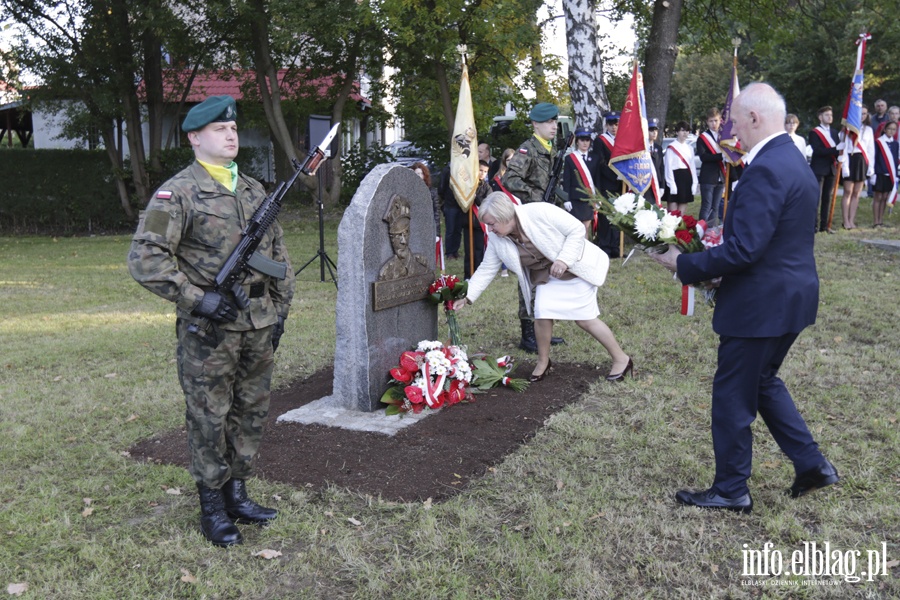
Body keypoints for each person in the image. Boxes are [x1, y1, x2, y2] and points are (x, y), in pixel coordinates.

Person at [651, 82, 839, 514]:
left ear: (755, 118)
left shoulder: (767, 167)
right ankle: (812, 464)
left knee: (734, 394)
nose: (731, 129)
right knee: (763, 381)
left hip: (761, 304)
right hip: (790, 296)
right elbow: (771, 240)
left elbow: (745, 249)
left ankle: (731, 488)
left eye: (735, 120)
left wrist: (684, 265)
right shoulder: (791, 158)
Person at [128, 95, 296, 546]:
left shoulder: (255, 190)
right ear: (195, 137)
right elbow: (146, 259)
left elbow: (278, 255)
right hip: (211, 331)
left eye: (234, 128)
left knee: (251, 411)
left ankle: (238, 493)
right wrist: (197, 300)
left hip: (258, 323)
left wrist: (279, 311)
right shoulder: (177, 192)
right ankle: (212, 505)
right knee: (209, 416)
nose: (230, 135)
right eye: (220, 129)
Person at [452, 192, 632, 383]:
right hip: (547, 277)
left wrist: (564, 259)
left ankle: (622, 359)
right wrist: (466, 296)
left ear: (505, 216)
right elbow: (487, 269)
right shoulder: (497, 238)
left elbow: (577, 230)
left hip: (576, 268)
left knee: (584, 319)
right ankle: (543, 362)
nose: (490, 229)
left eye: (492, 223)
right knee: (541, 314)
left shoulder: (540, 211)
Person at [501, 102, 567, 352]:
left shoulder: (552, 149)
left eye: (554, 122)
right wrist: (535, 196)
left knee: (548, 272)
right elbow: (510, 178)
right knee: (530, 274)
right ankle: (528, 333)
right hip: (532, 219)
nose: (553, 126)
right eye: (548, 122)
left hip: (549, 219)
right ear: (535, 124)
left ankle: (544, 329)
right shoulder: (528, 150)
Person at [588, 112, 622, 257]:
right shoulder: (600, 141)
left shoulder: (622, 140)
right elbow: (600, 164)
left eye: (616, 124)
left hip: (621, 185)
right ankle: (605, 246)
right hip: (606, 183)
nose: (614, 128)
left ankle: (616, 245)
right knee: (606, 216)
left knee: (618, 215)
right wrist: (616, 175)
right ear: (606, 125)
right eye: (611, 124)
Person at [839, 105, 875, 229]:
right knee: (848, 191)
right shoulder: (846, 130)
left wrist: (871, 166)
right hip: (849, 160)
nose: (862, 116)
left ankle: (851, 220)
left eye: (865, 114)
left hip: (862, 161)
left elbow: (870, 150)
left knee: (857, 193)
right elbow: (843, 149)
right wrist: (845, 167)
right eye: (860, 113)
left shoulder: (868, 130)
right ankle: (845, 221)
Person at [808, 106, 840, 233]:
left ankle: (824, 225)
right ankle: (813, 226)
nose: (830, 117)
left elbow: (837, 150)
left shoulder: (834, 132)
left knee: (827, 197)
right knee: (816, 197)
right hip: (819, 168)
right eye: (827, 115)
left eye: (831, 115)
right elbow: (818, 150)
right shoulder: (814, 132)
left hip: (831, 168)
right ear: (820, 117)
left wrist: (840, 152)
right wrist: (835, 150)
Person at [562, 128, 597, 238]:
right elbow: (566, 180)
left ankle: (585, 250)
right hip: (575, 199)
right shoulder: (570, 158)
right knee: (576, 228)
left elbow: (597, 179)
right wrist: (566, 199)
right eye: (582, 140)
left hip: (589, 198)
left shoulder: (595, 158)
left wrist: (598, 199)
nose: (585, 143)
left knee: (586, 227)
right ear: (577, 141)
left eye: (587, 140)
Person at [462, 160, 491, 278]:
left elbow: (486, 203)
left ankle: (478, 274)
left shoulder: (486, 187)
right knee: (469, 251)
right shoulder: (467, 184)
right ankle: (468, 275)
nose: (482, 174)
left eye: (485, 172)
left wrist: (476, 197)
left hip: (479, 224)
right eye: (480, 170)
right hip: (467, 222)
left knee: (479, 250)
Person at [697, 108, 726, 224]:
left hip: (720, 176)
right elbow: (703, 157)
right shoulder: (703, 138)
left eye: (716, 121)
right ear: (707, 122)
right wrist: (721, 156)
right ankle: (701, 232)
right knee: (706, 206)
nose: (714, 124)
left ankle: (711, 231)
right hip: (708, 177)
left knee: (716, 206)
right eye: (711, 121)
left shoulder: (724, 136)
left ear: (720, 121)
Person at [664, 121, 698, 214]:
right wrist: (671, 184)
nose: (685, 133)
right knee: (672, 212)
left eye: (687, 131)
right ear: (677, 132)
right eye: (682, 130)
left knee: (682, 211)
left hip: (686, 178)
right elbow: (668, 167)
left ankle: (681, 227)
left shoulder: (690, 148)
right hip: (674, 177)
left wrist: (694, 182)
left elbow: (692, 167)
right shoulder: (671, 147)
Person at [871, 120, 898, 227]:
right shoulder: (878, 142)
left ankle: (880, 220)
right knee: (878, 197)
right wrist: (873, 173)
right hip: (879, 173)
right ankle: (875, 221)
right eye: (889, 129)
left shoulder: (895, 144)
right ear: (885, 129)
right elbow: (874, 157)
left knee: (885, 197)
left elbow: (895, 159)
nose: (891, 131)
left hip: (890, 174)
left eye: (894, 129)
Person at [439, 163, 464, 259]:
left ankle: (455, 250)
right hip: (450, 204)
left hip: (460, 205)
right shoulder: (447, 170)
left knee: (458, 230)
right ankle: (449, 252)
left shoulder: (463, 169)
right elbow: (442, 187)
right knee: (450, 229)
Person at [411, 162, 441, 238]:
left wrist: (436, 233)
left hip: (427, 226)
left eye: (421, 173)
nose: (419, 176)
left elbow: (436, 213)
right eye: (417, 174)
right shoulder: (409, 191)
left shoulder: (432, 192)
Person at [646, 118, 665, 204]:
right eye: (651, 130)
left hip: (656, 183)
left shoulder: (658, 148)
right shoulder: (641, 148)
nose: (654, 133)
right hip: (645, 184)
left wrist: (662, 186)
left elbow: (661, 168)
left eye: (656, 130)